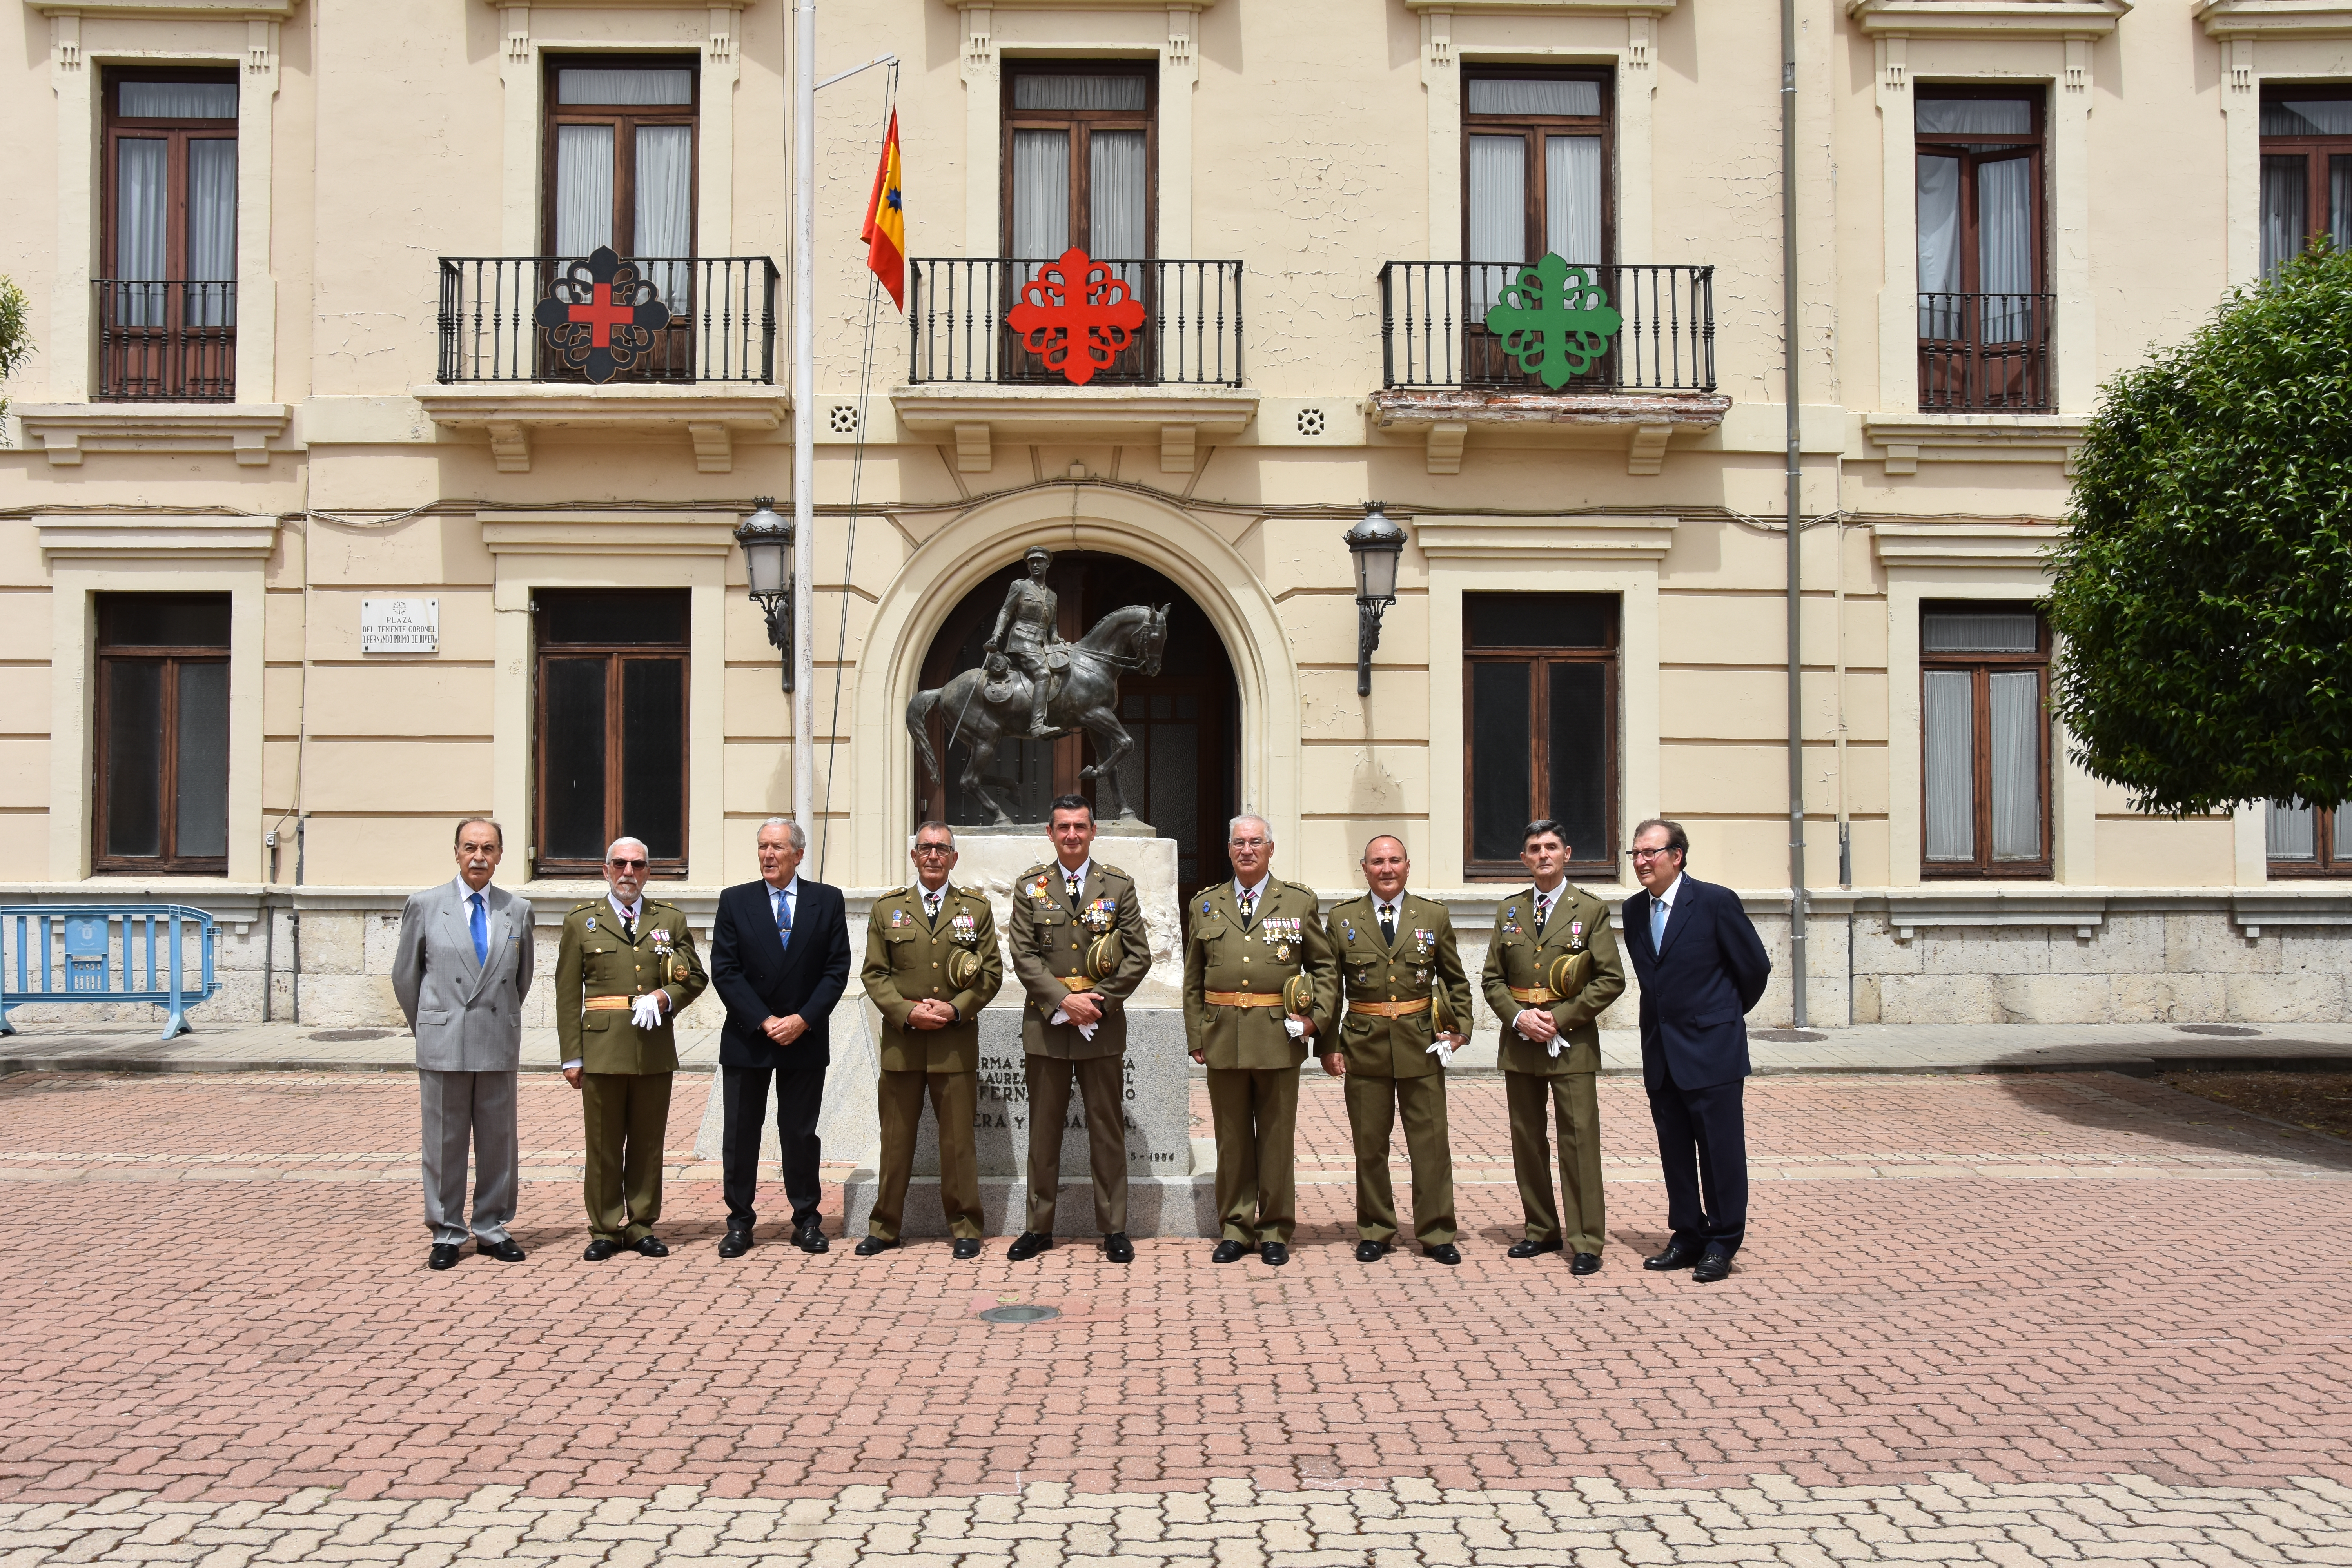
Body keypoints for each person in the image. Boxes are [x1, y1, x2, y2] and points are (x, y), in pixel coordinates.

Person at [1181, 814, 1335, 1267]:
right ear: (1229, 850)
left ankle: (1274, 1230)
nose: (1247, 850)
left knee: (1276, 1137)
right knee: (1231, 1139)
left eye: (1255, 842)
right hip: (1222, 1035)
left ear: (1271, 848)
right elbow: (1193, 979)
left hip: (1277, 1037)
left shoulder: (1298, 901)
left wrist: (1316, 1022)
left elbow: (1325, 969)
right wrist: (1196, 1033)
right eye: (1239, 843)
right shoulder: (1205, 905)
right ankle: (1235, 1227)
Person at [1003, 794, 1151, 1263]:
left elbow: (1138, 955)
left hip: (1101, 1026)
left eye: (1080, 827)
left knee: (1107, 1129)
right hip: (1047, 1025)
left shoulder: (1119, 887)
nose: (1072, 835)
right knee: (1043, 1131)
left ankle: (1114, 1228)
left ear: (1093, 832)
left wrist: (1098, 1004)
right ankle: (1038, 1228)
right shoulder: (1031, 886)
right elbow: (1023, 956)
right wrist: (1064, 1001)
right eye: (1063, 827)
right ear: (1050, 833)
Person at [1622, 817, 1770, 1284]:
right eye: (1636, 853)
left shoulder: (1714, 902)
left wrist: (1722, 1016)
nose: (1642, 861)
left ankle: (1723, 1242)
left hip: (1713, 1052)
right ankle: (1687, 1233)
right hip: (1662, 1054)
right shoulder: (1631, 911)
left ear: (1677, 856)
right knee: (1676, 1153)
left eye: (1651, 852)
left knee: (1720, 1152)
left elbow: (1755, 968)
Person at [1480, 819, 1627, 1276]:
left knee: (1578, 1140)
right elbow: (1492, 978)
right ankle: (1540, 1228)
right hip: (1522, 1040)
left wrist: (1559, 1018)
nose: (1543, 855)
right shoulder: (1509, 911)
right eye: (1533, 848)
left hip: (1570, 1043)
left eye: (1551, 847)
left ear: (1567, 854)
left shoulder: (1591, 909)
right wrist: (1520, 1017)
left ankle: (1586, 1239)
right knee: (1527, 1140)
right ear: (1524, 859)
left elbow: (1610, 979)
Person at [391, 817, 535, 1270]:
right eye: (471, 847)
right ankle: (447, 1231)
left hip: (495, 1038)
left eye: (489, 848)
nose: (479, 857)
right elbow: (405, 976)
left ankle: (492, 1227)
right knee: (444, 1141)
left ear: (500, 855)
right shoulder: (426, 905)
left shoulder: (517, 910)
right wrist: (431, 1024)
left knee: (498, 1142)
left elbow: (522, 977)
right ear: (456, 852)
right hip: (443, 1040)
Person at [1321, 835, 1472, 1265]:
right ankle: (1375, 1229)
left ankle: (1437, 1231)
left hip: (1421, 1044)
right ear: (1364, 868)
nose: (1386, 869)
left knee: (1430, 1144)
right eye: (1377, 862)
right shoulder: (1343, 917)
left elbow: (1455, 980)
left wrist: (1459, 1030)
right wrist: (1329, 1046)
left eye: (1394, 860)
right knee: (1370, 1146)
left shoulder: (1434, 915)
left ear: (1408, 865)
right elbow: (1330, 988)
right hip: (1364, 1044)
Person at [555, 837, 708, 1261]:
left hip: (652, 1047)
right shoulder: (581, 921)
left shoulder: (670, 921)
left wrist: (664, 998)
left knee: (646, 1141)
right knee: (602, 1143)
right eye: (620, 864)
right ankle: (604, 1227)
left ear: (648, 871)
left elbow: (694, 976)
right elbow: (568, 993)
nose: (628, 873)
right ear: (605, 870)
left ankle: (641, 1224)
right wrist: (572, 1055)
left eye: (638, 865)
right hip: (601, 1048)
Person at [857, 822, 1003, 1259]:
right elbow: (874, 974)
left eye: (942, 848)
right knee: (896, 1140)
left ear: (954, 858)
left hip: (954, 1042)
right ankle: (884, 1227)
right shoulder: (888, 909)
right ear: (914, 856)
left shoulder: (975, 908)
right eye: (926, 848)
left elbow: (991, 973)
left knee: (958, 1143)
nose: (934, 855)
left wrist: (956, 1008)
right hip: (903, 1042)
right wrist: (906, 1011)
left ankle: (965, 1228)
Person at [709, 817, 853, 1256]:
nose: (768, 855)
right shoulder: (735, 901)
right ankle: (739, 1222)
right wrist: (764, 1019)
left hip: (803, 1037)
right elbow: (726, 970)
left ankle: (807, 1219)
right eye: (763, 847)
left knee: (800, 1133)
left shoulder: (826, 900)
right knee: (741, 1133)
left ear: (799, 853)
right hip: (749, 1035)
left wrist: (803, 1019)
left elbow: (836, 969)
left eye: (777, 847)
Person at [982, 545, 1061, 739]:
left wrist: (1056, 637)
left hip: (1043, 645)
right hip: (1023, 640)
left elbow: (1053, 624)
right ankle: (1037, 726)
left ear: (1047, 565)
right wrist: (996, 634)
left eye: (1039, 561)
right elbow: (1006, 611)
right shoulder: (1020, 586)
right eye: (1031, 562)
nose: (1035, 565)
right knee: (1043, 674)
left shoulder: (1052, 596)